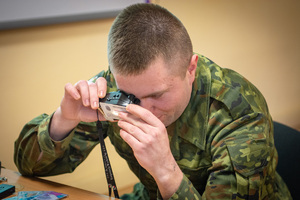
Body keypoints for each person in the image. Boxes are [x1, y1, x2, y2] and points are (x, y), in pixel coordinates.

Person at [14, 3, 291, 200]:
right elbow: (28, 169)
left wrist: (165, 170)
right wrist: (64, 119)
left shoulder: (239, 111)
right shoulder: (111, 89)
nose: (142, 110)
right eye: (131, 96)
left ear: (190, 69)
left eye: (158, 95)